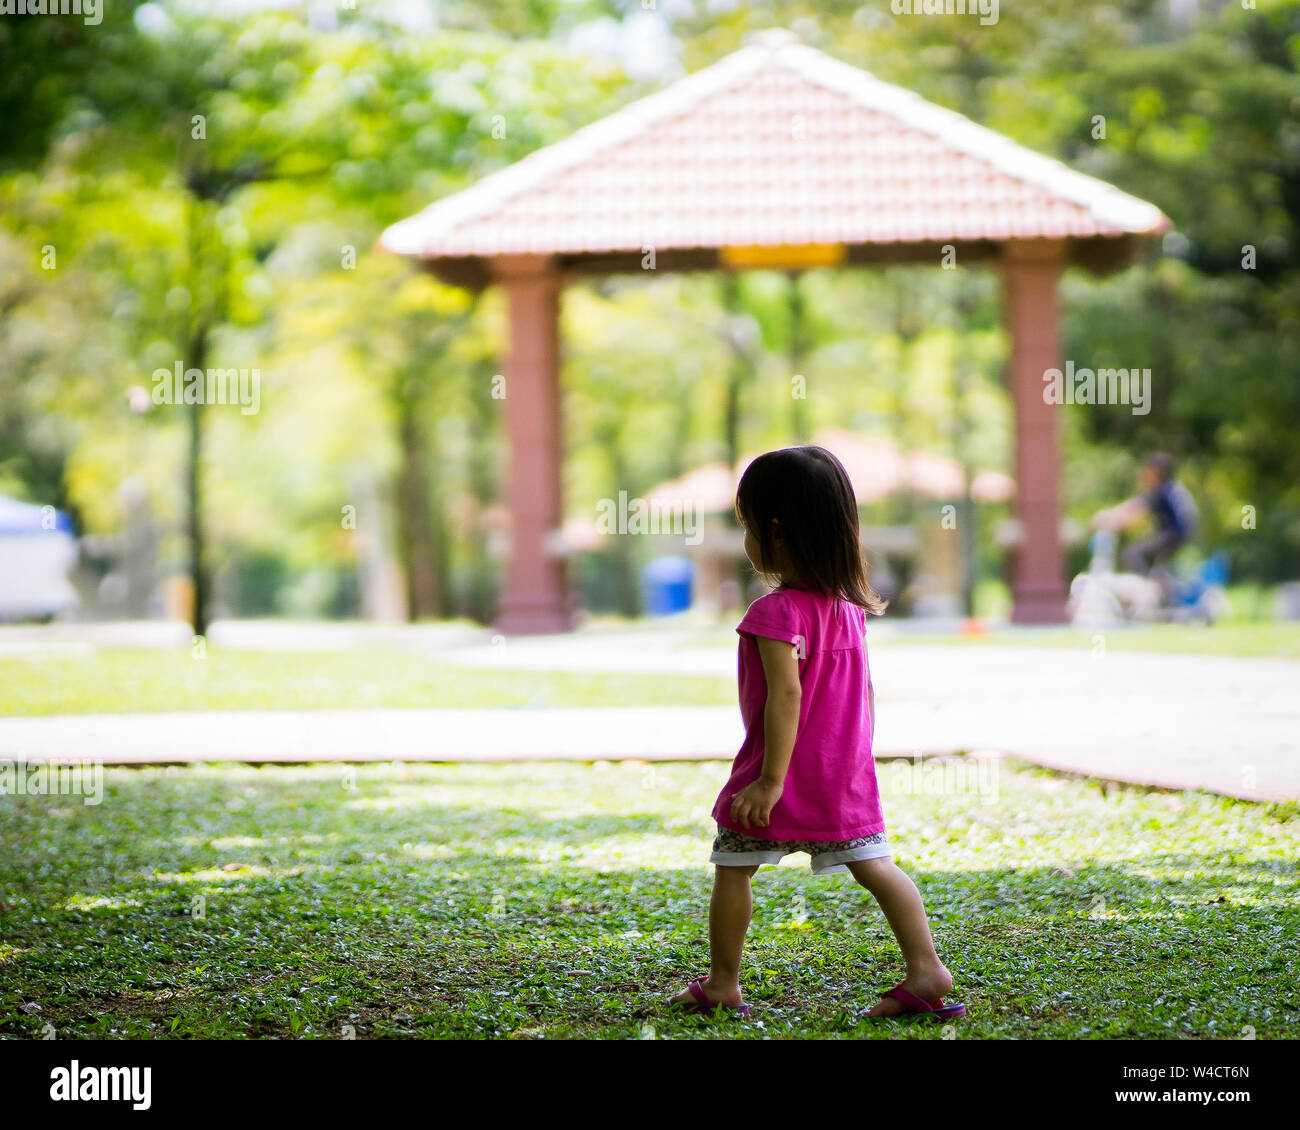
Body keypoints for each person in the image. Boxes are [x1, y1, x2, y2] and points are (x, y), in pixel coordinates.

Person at [666, 446, 965, 1022]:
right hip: (840, 776)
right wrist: (855, 761)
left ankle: (723, 982)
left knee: (733, 866)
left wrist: (769, 781)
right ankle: (926, 969)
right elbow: (864, 695)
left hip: (777, 777)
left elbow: (786, 695)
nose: (748, 541)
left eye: (748, 527)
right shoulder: (845, 609)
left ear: (774, 533)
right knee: (876, 864)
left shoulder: (775, 613)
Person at [1094, 453, 1198, 577]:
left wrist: (1110, 518)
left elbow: (1136, 508)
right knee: (1153, 559)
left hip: (1172, 535)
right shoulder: (1172, 488)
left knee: (1132, 553)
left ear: (1156, 471)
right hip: (1178, 535)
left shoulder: (1162, 490)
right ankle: (1158, 582)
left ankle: (1145, 588)